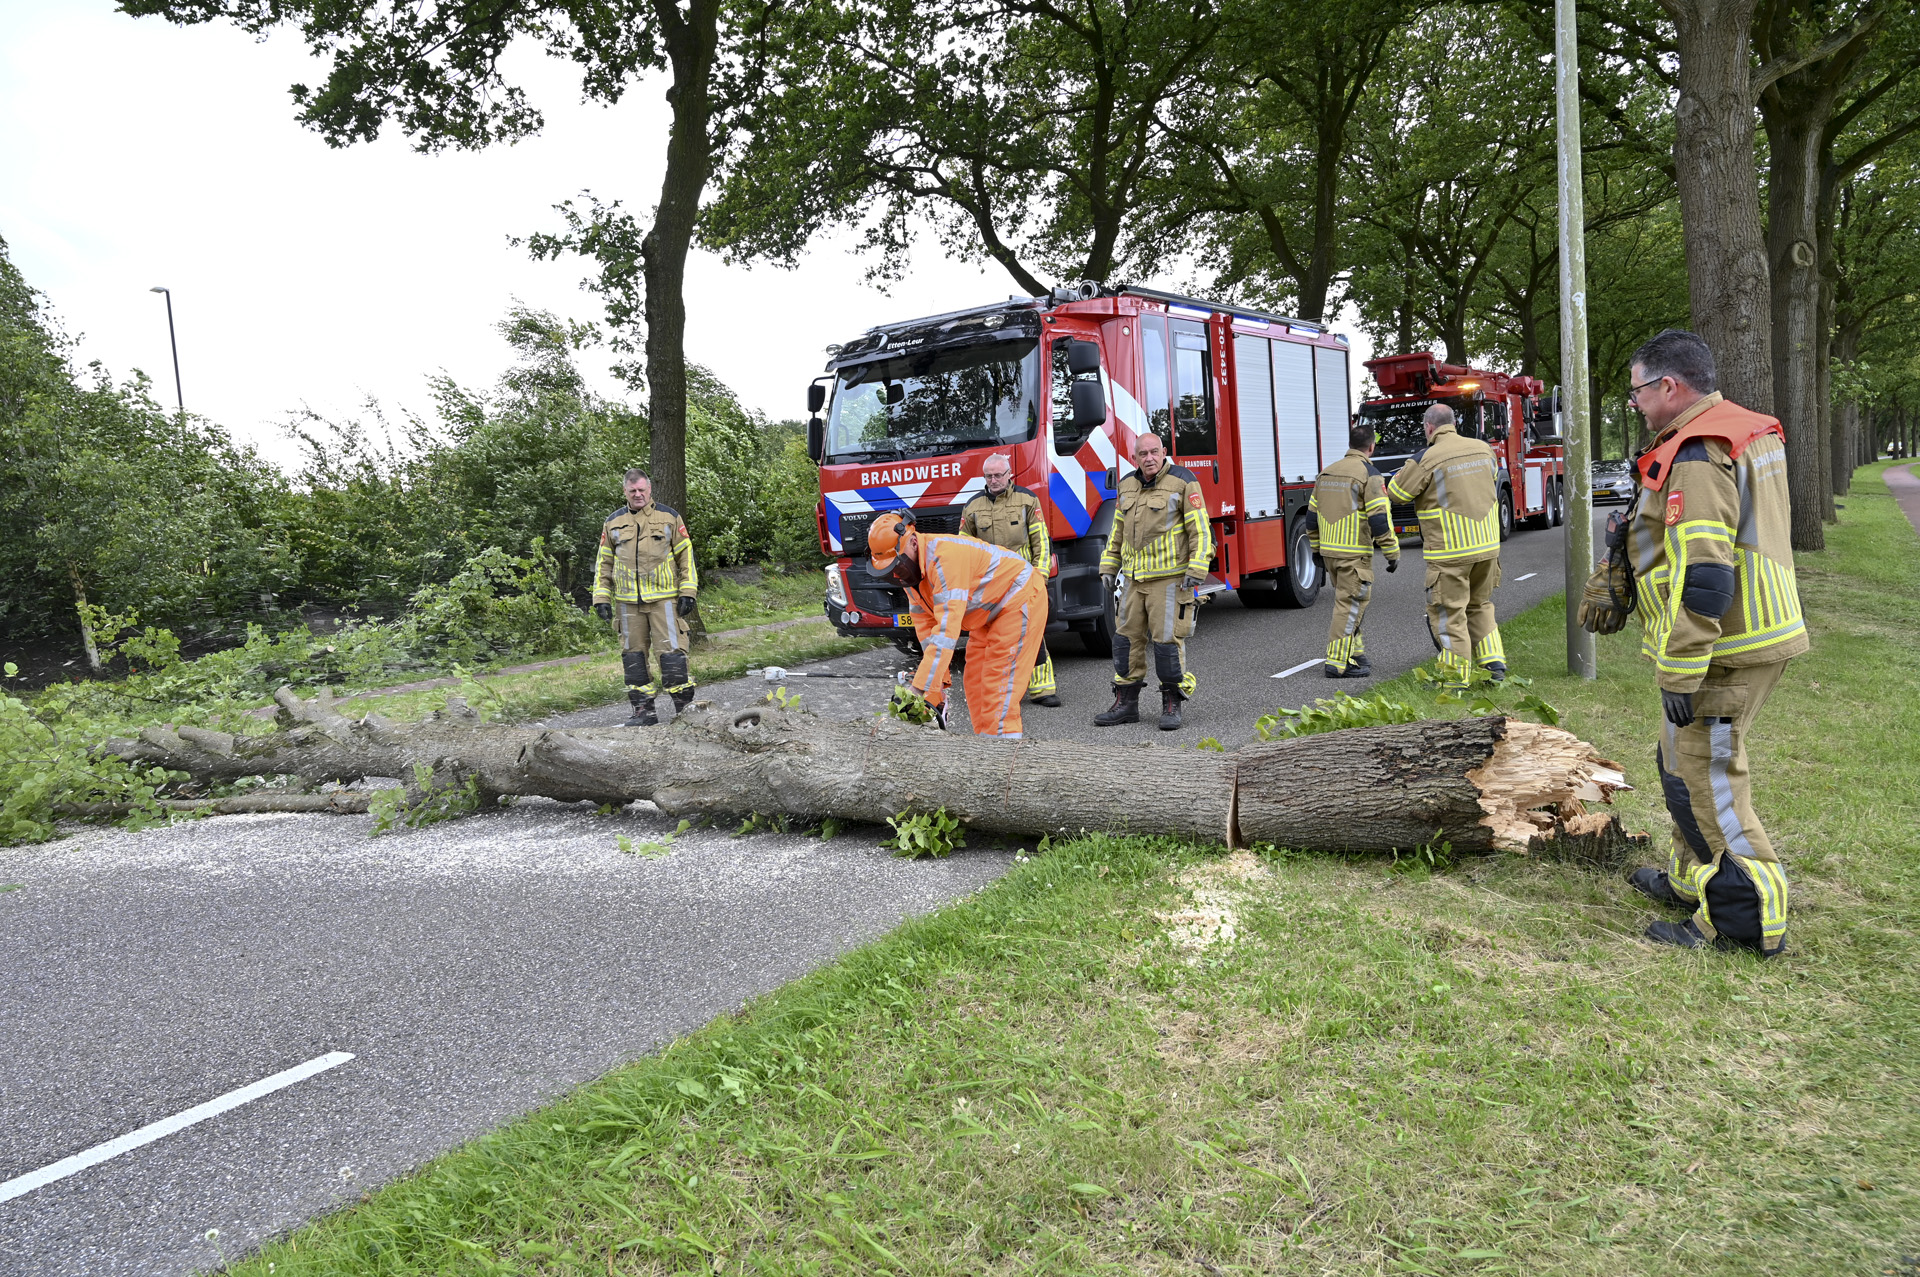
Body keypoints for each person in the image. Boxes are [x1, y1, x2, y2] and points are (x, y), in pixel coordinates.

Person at [1578, 328, 1807, 956]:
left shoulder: (1699, 451)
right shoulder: (1736, 430)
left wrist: (1680, 670)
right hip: (1740, 637)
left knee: (1707, 782)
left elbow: (1705, 574)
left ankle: (1744, 921)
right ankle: (1690, 883)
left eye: (1638, 392)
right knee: (1679, 767)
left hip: (1722, 649)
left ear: (1669, 386)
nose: (1635, 404)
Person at [866, 511, 1048, 738]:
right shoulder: (911, 574)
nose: (897, 573)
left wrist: (917, 689)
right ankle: (983, 748)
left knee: (997, 688)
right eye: (891, 569)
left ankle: (1002, 760)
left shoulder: (944, 561)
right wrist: (935, 686)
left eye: (897, 565)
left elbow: (946, 633)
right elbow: (926, 628)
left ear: (913, 541)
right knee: (975, 683)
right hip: (988, 612)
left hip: (1018, 597)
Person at [1094, 433, 1213, 730]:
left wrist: (1197, 568)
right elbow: (1117, 532)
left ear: (1163, 452)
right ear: (1135, 458)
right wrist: (1109, 566)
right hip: (1134, 580)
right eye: (1142, 454)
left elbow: (1201, 530)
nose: (1148, 458)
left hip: (1170, 579)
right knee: (1125, 642)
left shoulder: (1183, 482)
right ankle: (1126, 705)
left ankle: (1172, 704)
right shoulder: (1127, 485)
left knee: (1167, 645)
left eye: (1153, 452)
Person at [1386, 403, 1505, 689]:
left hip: (1450, 552)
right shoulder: (1482, 448)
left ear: (1429, 427)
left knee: (1449, 614)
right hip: (1488, 547)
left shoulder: (1426, 457)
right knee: (1480, 605)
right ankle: (1494, 667)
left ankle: (1454, 683)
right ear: (1453, 422)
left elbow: (1397, 493)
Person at [592, 468, 699, 726]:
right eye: (633, 491)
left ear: (649, 489)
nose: (638, 494)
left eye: (642, 490)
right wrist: (601, 598)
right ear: (625, 492)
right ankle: (643, 713)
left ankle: (685, 713)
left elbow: (687, 556)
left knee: (672, 656)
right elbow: (603, 563)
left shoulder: (669, 517)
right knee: (633, 658)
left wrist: (688, 592)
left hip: (665, 600)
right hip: (628, 605)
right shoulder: (613, 522)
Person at [959, 453, 1062, 707]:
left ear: (1009, 475)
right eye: (989, 476)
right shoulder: (972, 506)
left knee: (1032, 633)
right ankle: (998, 691)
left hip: (1023, 581)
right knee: (992, 637)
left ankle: (1043, 689)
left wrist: (1040, 577)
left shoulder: (1027, 500)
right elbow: (963, 548)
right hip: (990, 585)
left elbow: (1041, 542)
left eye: (998, 475)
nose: (993, 480)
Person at [1310, 422, 1402, 678]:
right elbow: (1379, 518)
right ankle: (1337, 663)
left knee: (1350, 604)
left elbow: (1310, 516)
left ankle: (1356, 653)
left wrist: (1316, 549)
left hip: (1330, 554)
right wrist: (1392, 552)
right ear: (1371, 446)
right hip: (1354, 554)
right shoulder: (1369, 474)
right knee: (1349, 606)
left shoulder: (1326, 473)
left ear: (1350, 444)